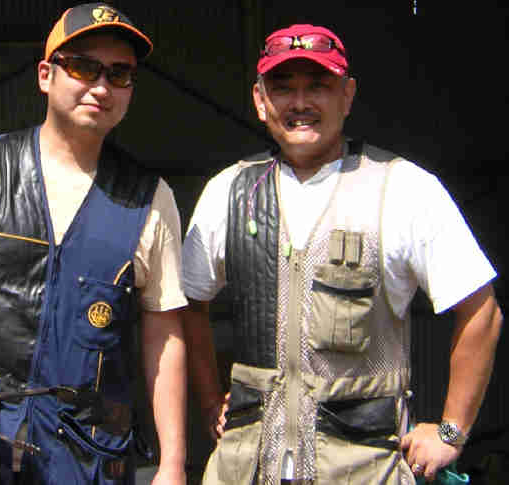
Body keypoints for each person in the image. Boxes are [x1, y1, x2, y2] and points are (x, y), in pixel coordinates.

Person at [182, 23, 503, 485]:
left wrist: (451, 432)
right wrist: (212, 403)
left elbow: (482, 313)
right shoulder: (228, 192)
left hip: (363, 470)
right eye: (282, 88)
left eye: (319, 86)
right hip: (245, 469)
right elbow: (189, 303)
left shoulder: (403, 187)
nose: (300, 103)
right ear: (259, 99)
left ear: (347, 96)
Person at [0, 4, 187, 484]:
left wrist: (174, 464)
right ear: (45, 75)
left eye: (120, 75)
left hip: (85, 460)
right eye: (82, 67)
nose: (101, 87)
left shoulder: (150, 198)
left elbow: (164, 331)